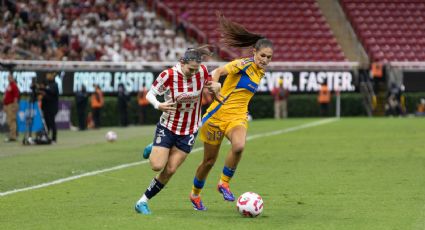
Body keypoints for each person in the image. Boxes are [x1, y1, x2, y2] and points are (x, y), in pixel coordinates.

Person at [188, 13, 274, 211]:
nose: (265, 60)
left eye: (269, 57)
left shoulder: (261, 71)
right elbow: (218, 71)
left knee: (239, 146)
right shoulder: (243, 64)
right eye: (262, 56)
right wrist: (216, 83)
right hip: (217, 116)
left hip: (237, 118)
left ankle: (224, 183)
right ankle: (195, 194)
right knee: (208, 161)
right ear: (254, 52)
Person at [134, 47, 221, 215]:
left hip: (190, 130)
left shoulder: (201, 71)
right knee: (157, 165)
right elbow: (150, 94)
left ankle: (142, 202)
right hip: (168, 127)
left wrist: (216, 86)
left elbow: (211, 82)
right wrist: (158, 105)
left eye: (196, 69)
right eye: (190, 69)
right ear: (182, 63)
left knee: (171, 170)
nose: (193, 72)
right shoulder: (168, 75)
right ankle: (154, 146)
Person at [40, 72, 59, 143]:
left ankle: (54, 138)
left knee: (52, 123)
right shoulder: (47, 84)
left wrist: (44, 92)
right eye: (47, 74)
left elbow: (52, 93)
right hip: (46, 107)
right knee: (47, 123)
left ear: (52, 76)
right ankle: (46, 137)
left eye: (49, 74)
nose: (47, 76)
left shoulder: (55, 85)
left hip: (52, 107)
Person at [2, 72, 20, 142]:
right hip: (7, 105)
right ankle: (12, 135)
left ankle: (13, 136)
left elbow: (16, 96)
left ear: (12, 78)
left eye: (10, 77)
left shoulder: (14, 85)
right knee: (9, 121)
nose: (8, 79)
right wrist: (4, 104)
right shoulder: (9, 85)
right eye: (8, 78)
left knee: (12, 120)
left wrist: (15, 105)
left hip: (11, 105)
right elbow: (6, 95)